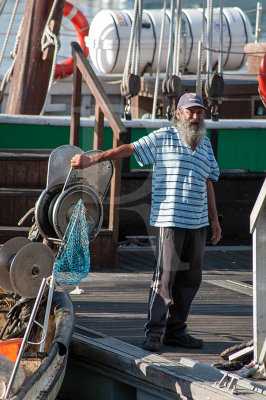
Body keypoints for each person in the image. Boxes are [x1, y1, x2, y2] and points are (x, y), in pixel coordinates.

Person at [71, 92, 221, 352]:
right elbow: (129, 148)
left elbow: (209, 181)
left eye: (199, 112)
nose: (196, 117)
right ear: (179, 114)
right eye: (190, 112)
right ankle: (154, 331)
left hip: (198, 223)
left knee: (191, 278)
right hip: (170, 220)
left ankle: (176, 330)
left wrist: (215, 221)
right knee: (165, 278)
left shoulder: (205, 144)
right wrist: (93, 159)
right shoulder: (163, 136)